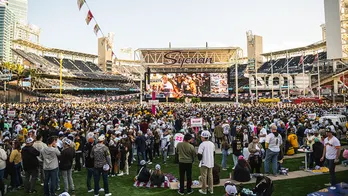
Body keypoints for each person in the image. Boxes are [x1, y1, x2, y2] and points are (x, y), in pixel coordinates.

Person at [198, 131, 215, 195]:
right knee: (210, 176)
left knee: (204, 176)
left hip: (204, 162)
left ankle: (204, 190)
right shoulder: (212, 144)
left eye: (201, 137)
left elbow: (199, 155)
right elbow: (214, 153)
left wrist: (200, 160)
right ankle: (211, 189)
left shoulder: (202, 144)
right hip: (211, 162)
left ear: (203, 137)